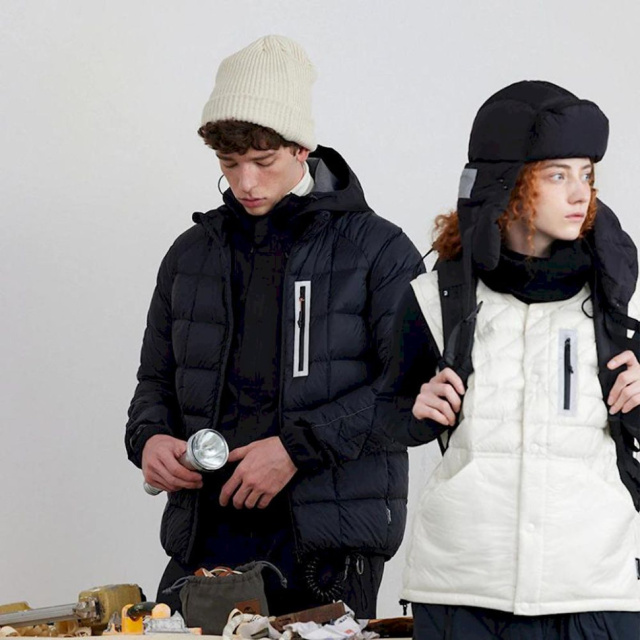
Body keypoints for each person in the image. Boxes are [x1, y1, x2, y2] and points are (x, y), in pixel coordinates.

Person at [124, 35, 423, 617]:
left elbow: (412, 395)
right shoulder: (190, 254)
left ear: (302, 148)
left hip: (325, 548)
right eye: (229, 164)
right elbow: (153, 382)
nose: (247, 183)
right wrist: (149, 439)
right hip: (203, 541)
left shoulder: (378, 250)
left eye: (264, 163)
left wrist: (295, 450)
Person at [376, 80, 640, 639]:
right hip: (463, 592)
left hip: (595, 592)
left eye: (587, 175)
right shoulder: (433, 299)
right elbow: (386, 415)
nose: (581, 194)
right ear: (508, 183)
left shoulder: (622, 302)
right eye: (557, 175)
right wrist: (418, 407)